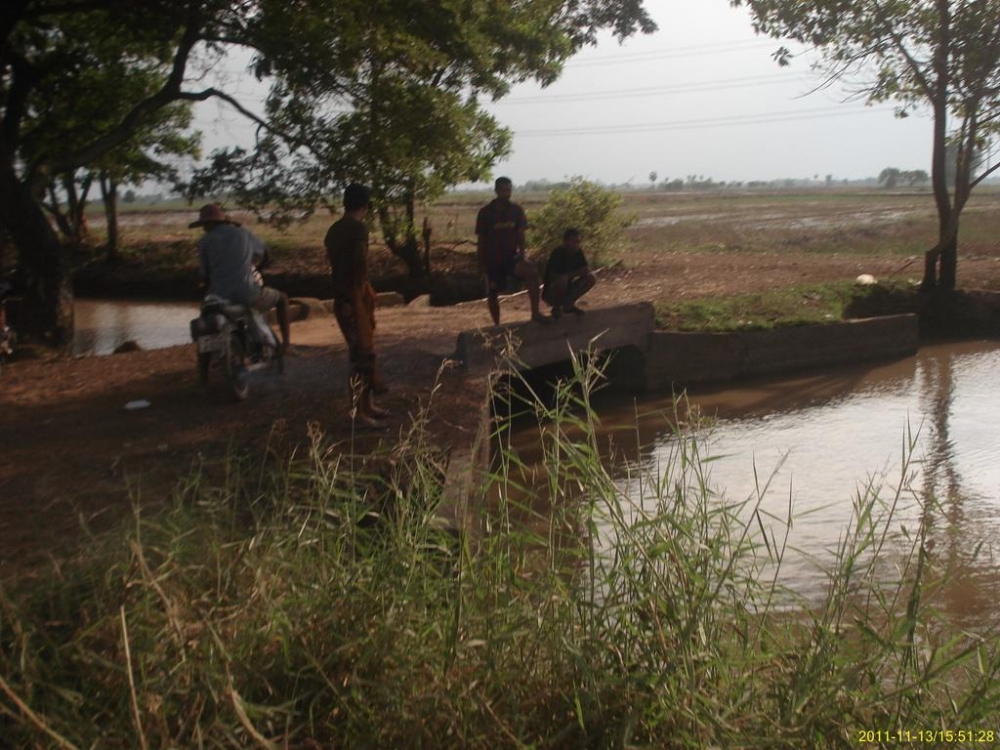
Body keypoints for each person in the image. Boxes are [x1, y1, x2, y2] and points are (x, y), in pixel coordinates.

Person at [324, 183, 388, 425]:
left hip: (342, 297)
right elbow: (360, 261)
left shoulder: (333, 230)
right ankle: (358, 412)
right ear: (366, 206)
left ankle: (367, 405)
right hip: (353, 298)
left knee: (363, 352)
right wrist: (361, 293)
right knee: (360, 356)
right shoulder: (359, 229)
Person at [191, 203, 290, 351]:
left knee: (206, 325)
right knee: (282, 299)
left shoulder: (205, 241)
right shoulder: (245, 234)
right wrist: (258, 269)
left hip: (218, 297)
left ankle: (204, 369)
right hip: (248, 294)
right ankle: (286, 345)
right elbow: (267, 255)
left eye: (204, 225)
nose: (204, 228)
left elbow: (204, 277)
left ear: (207, 224)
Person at [475, 176, 548, 326]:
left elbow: (520, 235)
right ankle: (497, 326)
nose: (506, 193)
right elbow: (481, 240)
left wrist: (522, 256)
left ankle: (535, 313)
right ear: (496, 191)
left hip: (511, 258)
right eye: (502, 190)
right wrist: (480, 263)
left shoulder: (516, 210)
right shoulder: (485, 213)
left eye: (508, 190)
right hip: (492, 260)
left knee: (531, 271)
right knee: (493, 293)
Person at [542, 228, 596, 318]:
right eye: (573, 241)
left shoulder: (578, 252)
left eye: (578, 242)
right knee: (562, 281)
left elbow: (586, 270)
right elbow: (551, 276)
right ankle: (556, 307)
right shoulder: (558, 253)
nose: (576, 245)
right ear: (565, 241)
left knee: (591, 277)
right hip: (552, 292)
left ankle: (569, 305)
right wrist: (565, 277)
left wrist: (568, 276)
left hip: (567, 287)